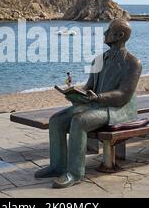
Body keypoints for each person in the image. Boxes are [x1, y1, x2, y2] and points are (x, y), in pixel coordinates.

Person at [35, 19, 142, 188]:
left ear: (120, 35)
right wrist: (76, 94)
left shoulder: (133, 63)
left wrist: (98, 97)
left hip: (117, 109)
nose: (105, 34)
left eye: (109, 30)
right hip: (95, 104)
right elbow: (89, 87)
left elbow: (123, 95)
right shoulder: (98, 60)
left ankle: (75, 173)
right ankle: (57, 166)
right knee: (56, 120)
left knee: (80, 121)